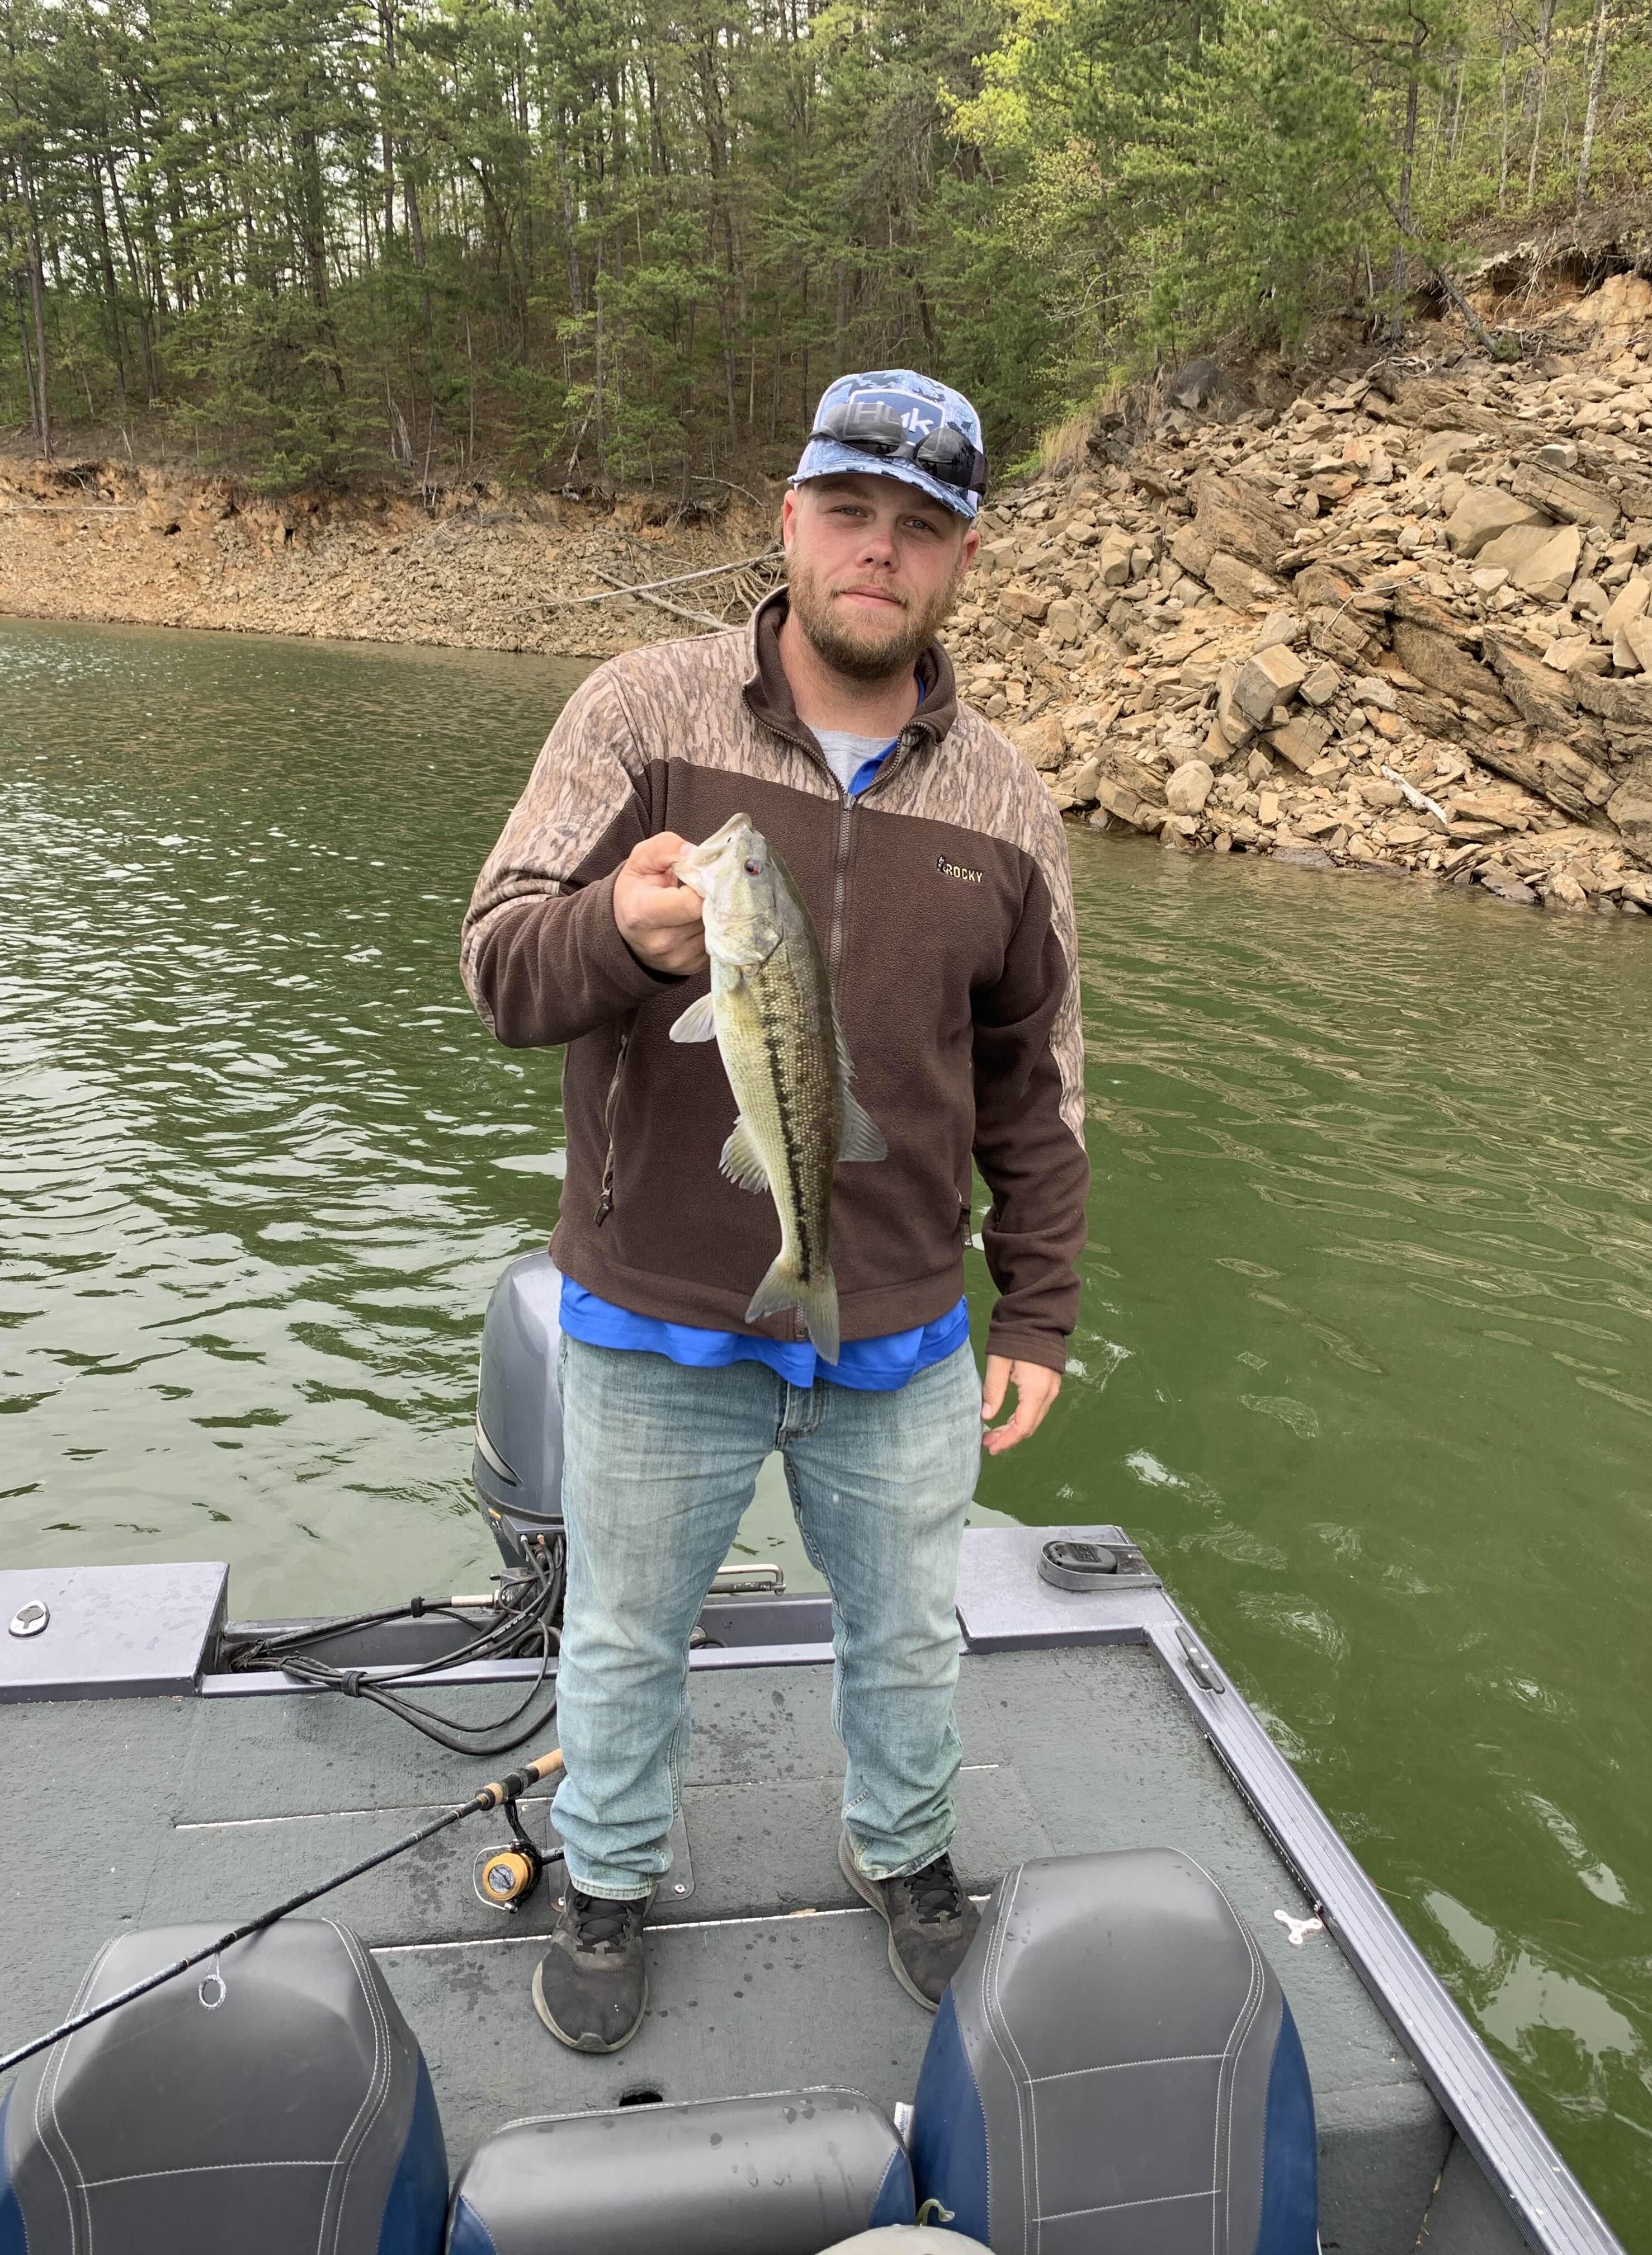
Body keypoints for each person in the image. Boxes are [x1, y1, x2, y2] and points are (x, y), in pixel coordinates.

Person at [461, 369, 1088, 2054]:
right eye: (850, 511)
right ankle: (607, 1878)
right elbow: (501, 965)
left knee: (911, 1639)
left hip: (901, 1323)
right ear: (791, 520)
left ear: (960, 559)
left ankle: (907, 1854)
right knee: (624, 1636)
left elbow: (1038, 1085)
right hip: (654, 1312)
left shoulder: (1007, 801)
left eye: (921, 527)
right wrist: (617, 934)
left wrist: (1036, 1307)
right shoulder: (637, 709)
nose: (880, 551)